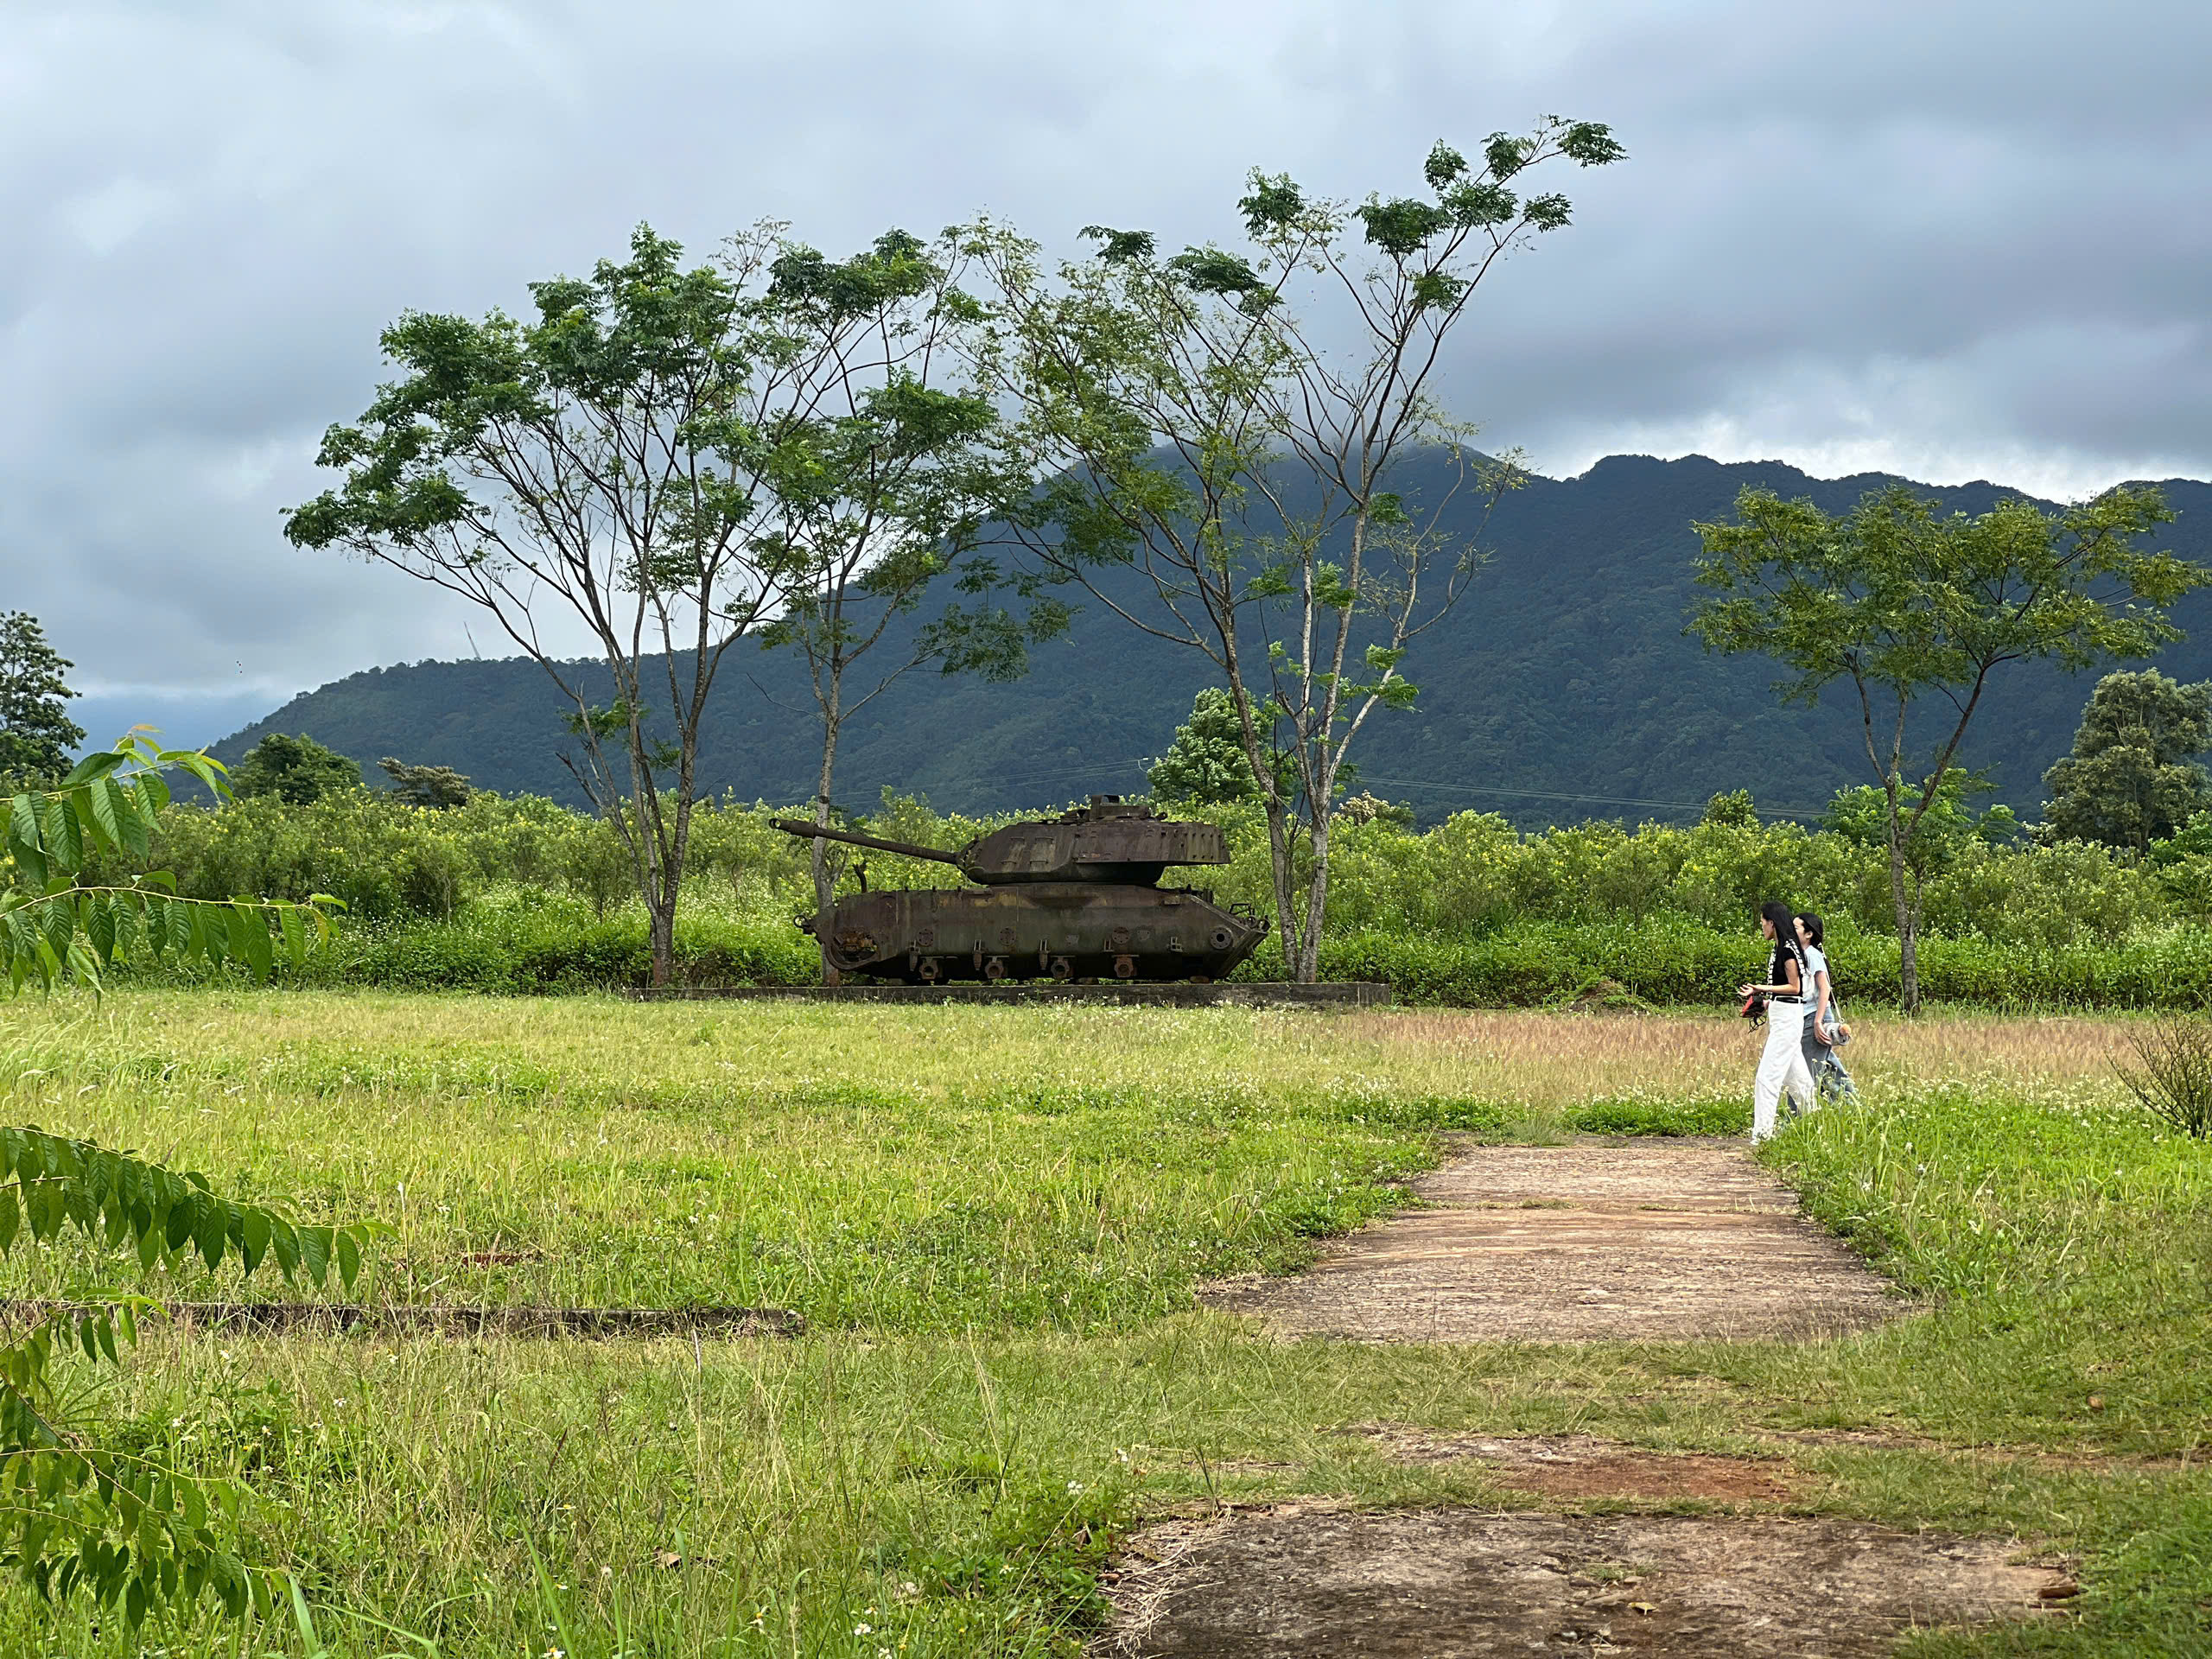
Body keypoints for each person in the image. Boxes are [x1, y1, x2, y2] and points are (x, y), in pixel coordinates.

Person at [1739, 900, 1815, 1143]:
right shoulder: (1783, 947)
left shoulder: (1787, 950)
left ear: (1772, 923)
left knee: (1767, 1077)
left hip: (1787, 1021)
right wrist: (1765, 1002)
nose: (1761, 927)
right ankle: (1820, 1125)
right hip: (1783, 1015)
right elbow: (1786, 992)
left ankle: (1762, 1136)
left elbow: (1796, 987)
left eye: (1762, 922)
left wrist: (1761, 987)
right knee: (1799, 1081)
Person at [1794, 912, 1859, 1107]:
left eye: (1795, 928)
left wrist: (1818, 1021)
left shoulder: (1812, 955)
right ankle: (1851, 1105)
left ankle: (1797, 1115)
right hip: (1811, 1014)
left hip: (1816, 1014)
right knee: (1827, 1064)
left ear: (1808, 934)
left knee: (1808, 1067)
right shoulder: (1801, 955)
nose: (1790, 930)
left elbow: (1825, 989)